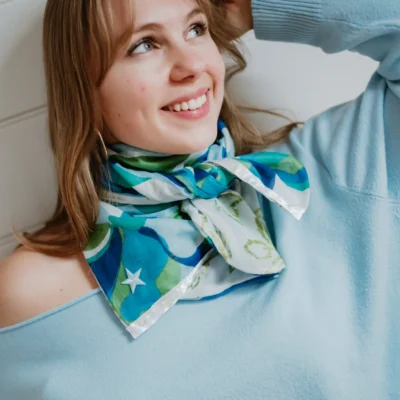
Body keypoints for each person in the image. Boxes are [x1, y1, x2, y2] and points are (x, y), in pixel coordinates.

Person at [0, 0, 399, 398]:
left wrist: (250, 7)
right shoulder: (32, 298)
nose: (192, 65)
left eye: (196, 29)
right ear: (84, 89)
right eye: (144, 45)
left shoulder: (327, 171)